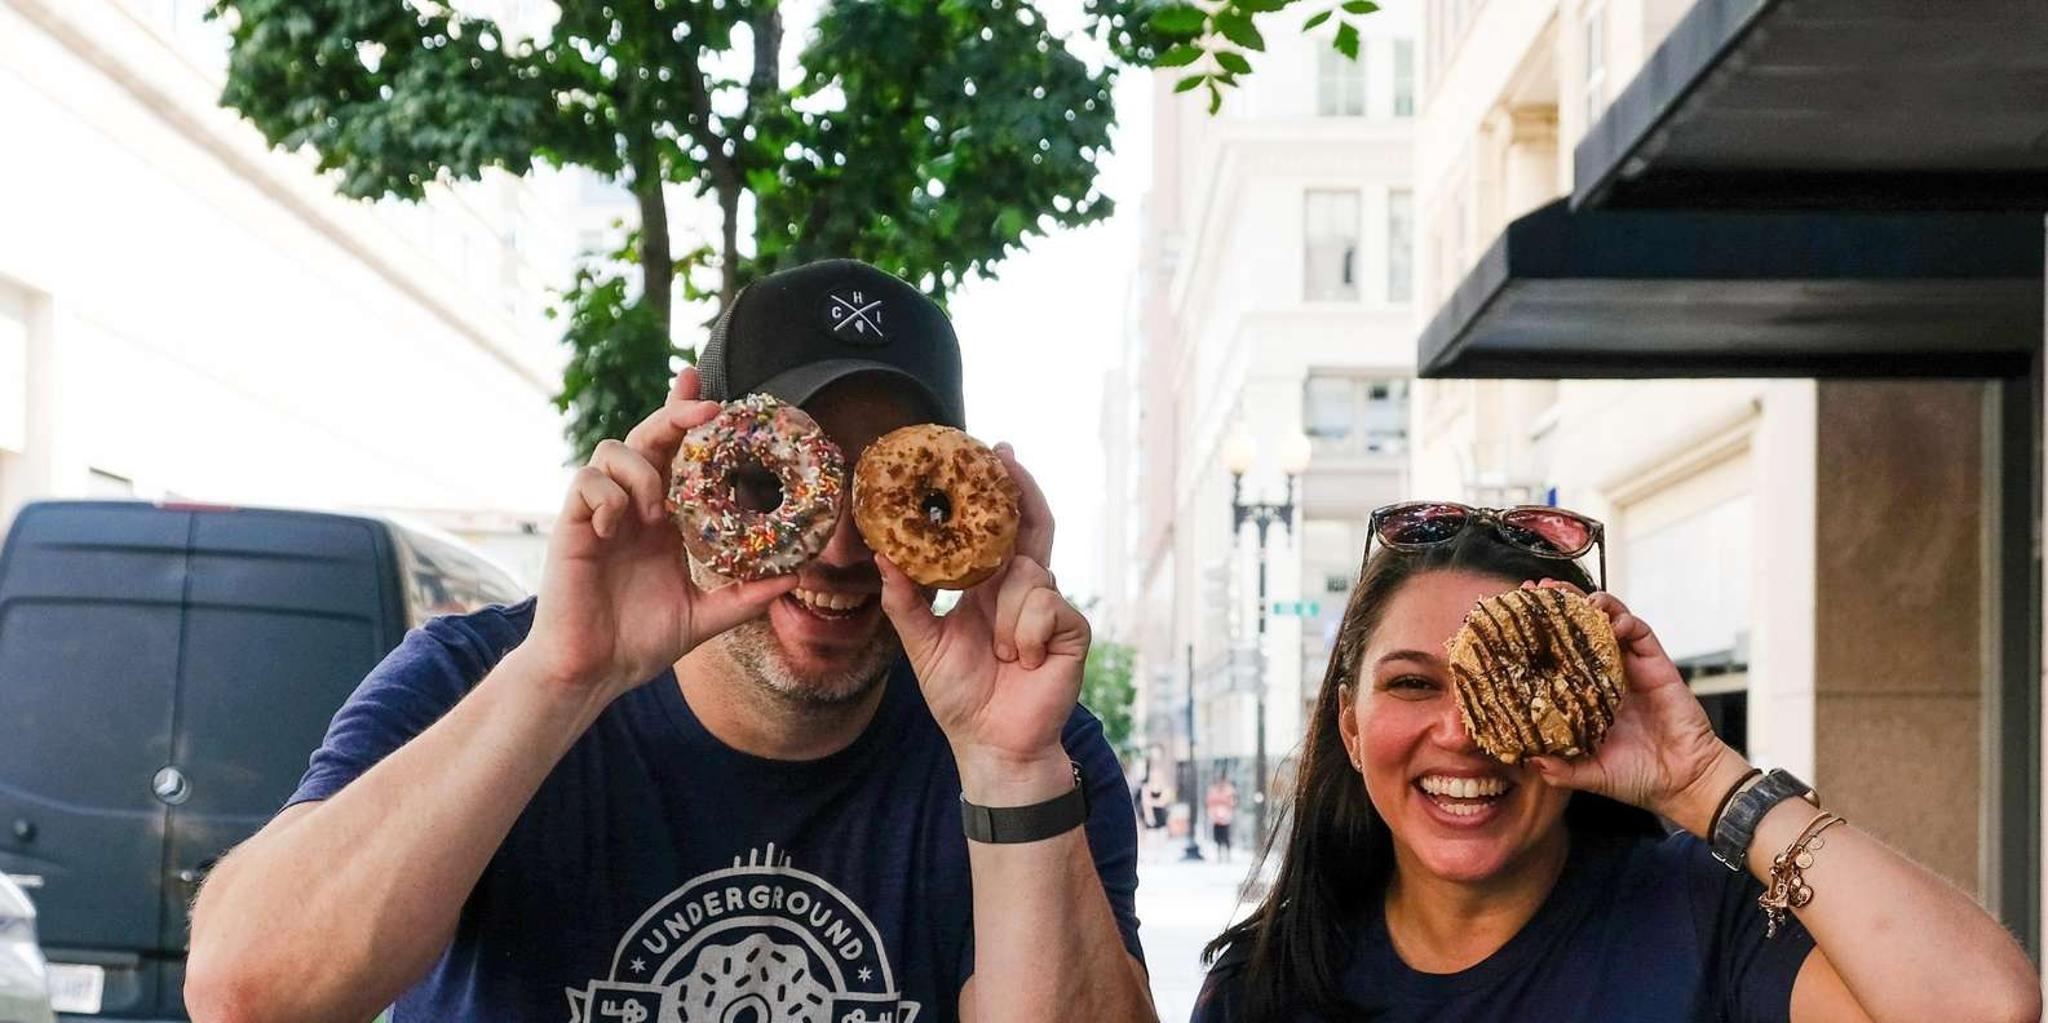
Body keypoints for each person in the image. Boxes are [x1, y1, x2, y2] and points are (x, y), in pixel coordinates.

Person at [184, 260, 1155, 1023]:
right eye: (783, 484)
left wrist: (1006, 764)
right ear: (697, 464)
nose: (842, 546)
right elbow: (249, 995)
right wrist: (564, 677)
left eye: (882, 488)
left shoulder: (1035, 754)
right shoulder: (481, 678)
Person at [1193, 502, 2040, 1023]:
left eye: (1504, 683)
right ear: (1349, 726)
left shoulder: (1699, 919)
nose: (1464, 728)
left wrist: (1706, 779)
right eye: (1413, 681)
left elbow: (1985, 1008)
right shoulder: (1264, 986)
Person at [1206, 774, 1238, 863]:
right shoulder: (1213, 790)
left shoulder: (1229, 790)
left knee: (1226, 837)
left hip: (1226, 818)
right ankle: (1219, 854)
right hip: (1216, 818)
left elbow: (1233, 802)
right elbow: (1209, 802)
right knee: (1218, 837)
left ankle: (1227, 854)